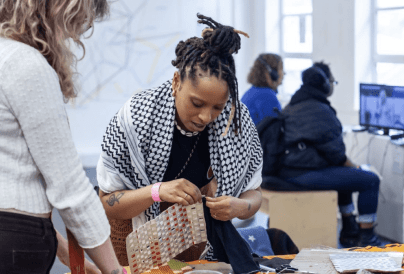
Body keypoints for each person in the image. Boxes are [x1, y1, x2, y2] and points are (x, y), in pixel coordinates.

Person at [97, 14, 263, 261]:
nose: (206, 117)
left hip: (195, 236)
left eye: (217, 107)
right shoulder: (136, 118)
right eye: (196, 103)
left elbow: (255, 193)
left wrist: (242, 207)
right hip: (131, 235)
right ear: (176, 83)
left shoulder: (236, 121)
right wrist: (157, 191)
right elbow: (107, 203)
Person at [0, 0, 125, 273]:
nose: (70, 38)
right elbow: (69, 188)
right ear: (58, 9)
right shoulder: (24, 64)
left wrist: (75, 259)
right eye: (73, 26)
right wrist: (114, 270)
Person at [276, 62, 381, 247]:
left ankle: (349, 229)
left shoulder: (295, 104)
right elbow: (338, 155)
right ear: (325, 84)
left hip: (287, 170)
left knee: (345, 175)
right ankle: (367, 238)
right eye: (332, 81)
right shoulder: (320, 110)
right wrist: (357, 168)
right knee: (370, 180)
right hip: (301, 174)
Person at [241, 53, 284, 125]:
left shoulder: (251, 92)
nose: (283, 73)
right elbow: (276, 129)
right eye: (281, 69)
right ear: (273, 73)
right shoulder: (267, 96)